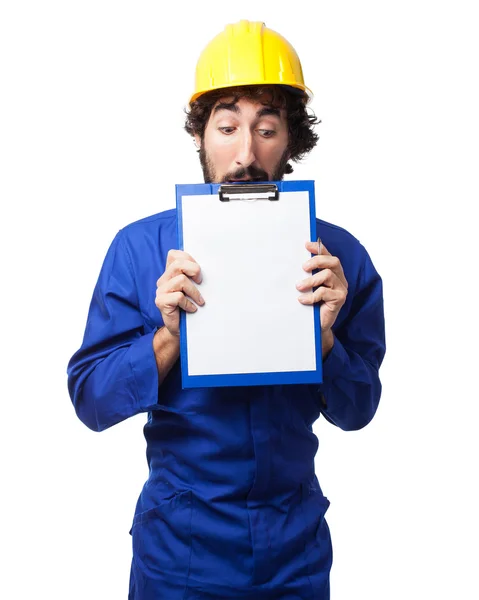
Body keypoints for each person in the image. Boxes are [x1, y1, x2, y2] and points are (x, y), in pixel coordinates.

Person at [67, 20, 385, 600]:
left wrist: (328, 343)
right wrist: (166, 338)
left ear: (291, 140)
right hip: (179, 556)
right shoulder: (139, 251)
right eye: (228, 127)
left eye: (266, 129)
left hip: (296, 554)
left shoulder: (338, 260)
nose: (245, 154)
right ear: (200, 137)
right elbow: (90, 400)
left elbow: (359, 409)